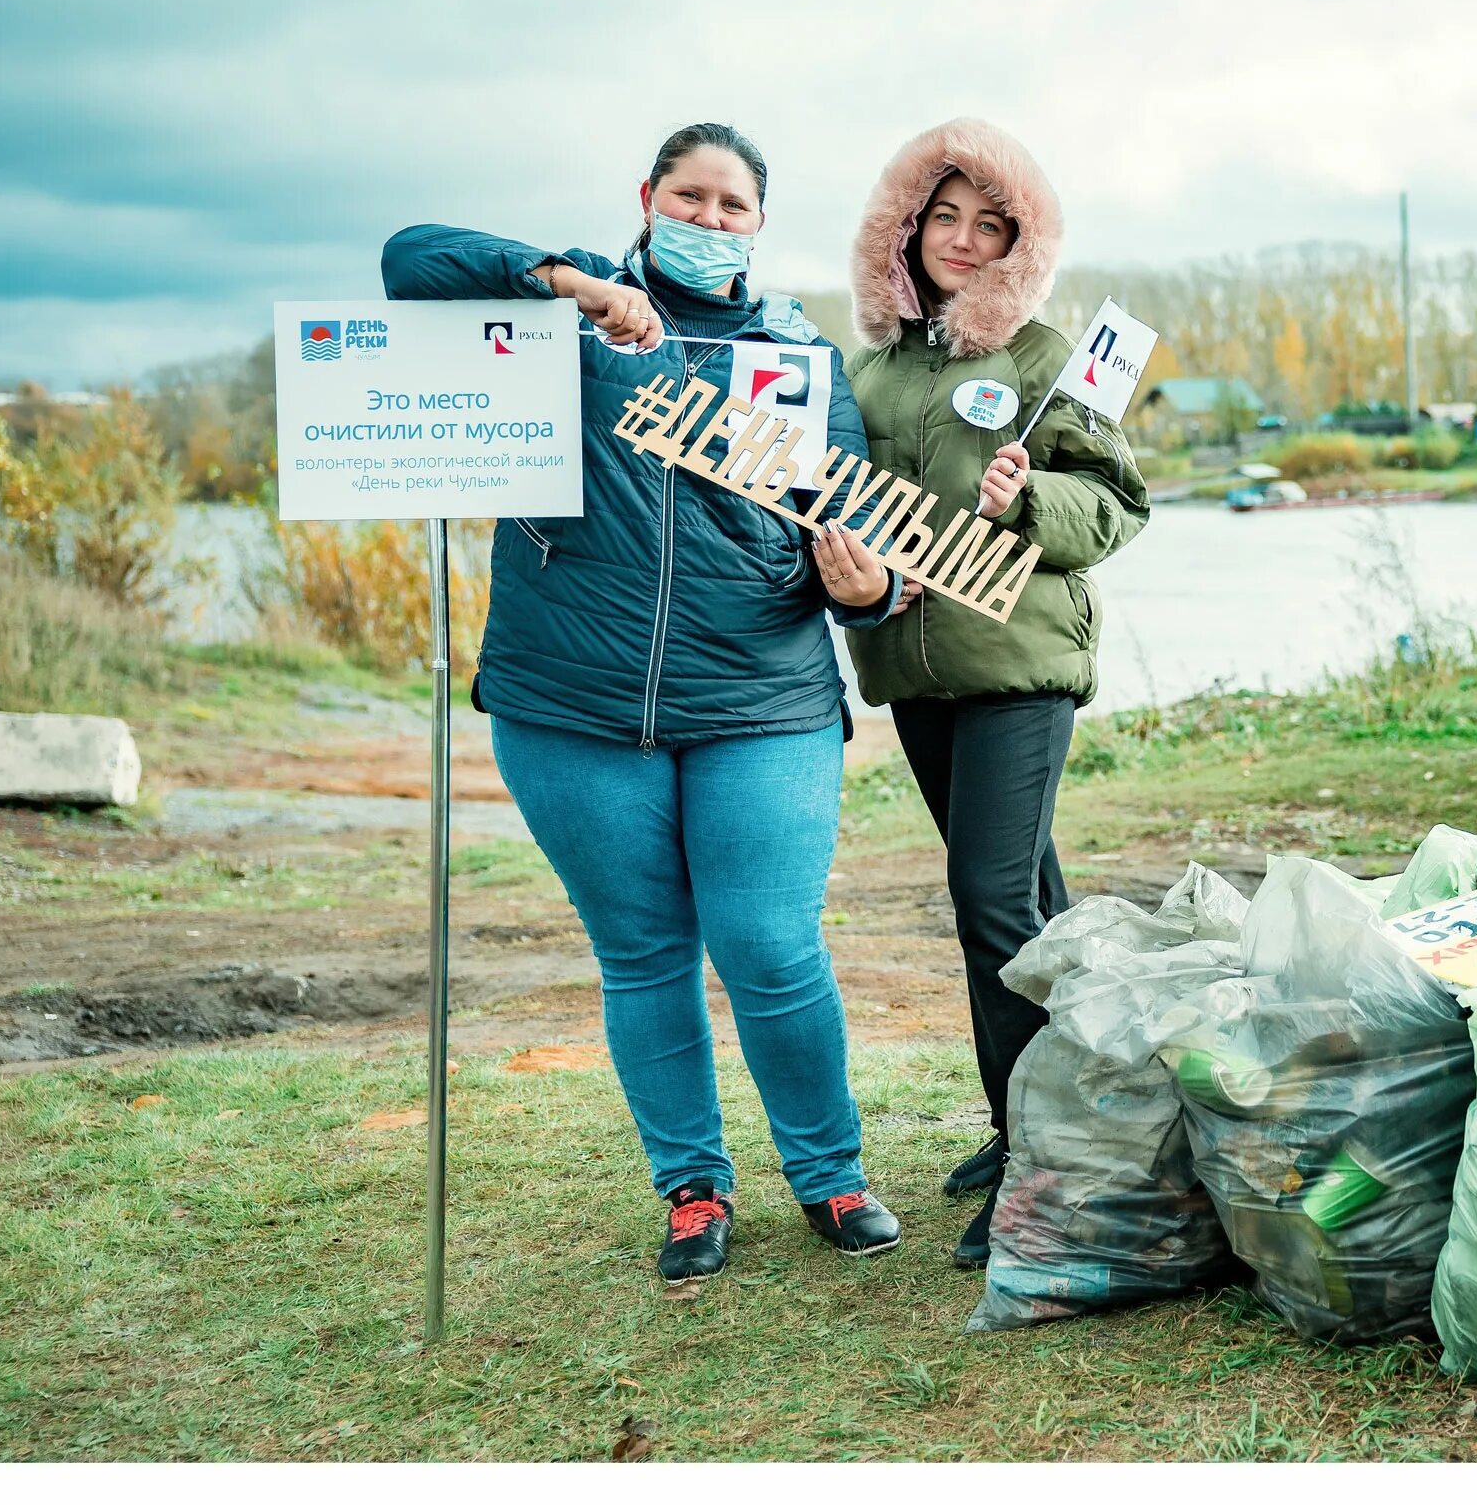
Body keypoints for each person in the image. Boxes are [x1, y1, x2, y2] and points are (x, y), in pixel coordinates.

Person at [381, 121, 907, 1285]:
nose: (710, 220)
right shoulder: (561, 321)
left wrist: (870, 590)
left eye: (733, 206)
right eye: (690, 196)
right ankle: (692, 1188)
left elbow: (858, 536)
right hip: (568, 700)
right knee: (643, 954)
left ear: (760, 225)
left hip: (760, 699)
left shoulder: (799, 356)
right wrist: (569, 281)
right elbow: (408, 259)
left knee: (770, 946)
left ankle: (831, 1174)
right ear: (649, 198)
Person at [841, 118, 1151, 1270]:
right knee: (1027, 898)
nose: (964, 241)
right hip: (915, 670)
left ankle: (1040, 1165)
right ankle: (1055, 1115)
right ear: (905, 227)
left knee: (989, 908)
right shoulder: (868, 372)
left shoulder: (1042, 356)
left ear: (1020, 243)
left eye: (992, 224)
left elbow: (1115, 506)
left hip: (1019, 662)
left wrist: (1028, 502)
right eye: (945, 216)